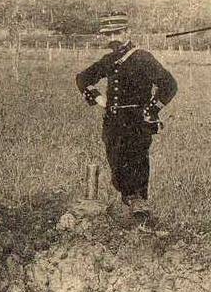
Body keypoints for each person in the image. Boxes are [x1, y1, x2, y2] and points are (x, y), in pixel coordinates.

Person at [75, 12, 177, 218]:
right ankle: (127, 207)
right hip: (113, 122)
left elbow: (169, 85)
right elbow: (82, 78)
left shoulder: (143, 57)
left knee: (137, 163)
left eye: (117, 33)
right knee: (117, 166)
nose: (113, 38)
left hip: (137, 122)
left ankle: (140, 212)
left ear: (128, 32)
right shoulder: (108, 60)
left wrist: (151, 109)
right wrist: (98, 98)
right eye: (108, 34)